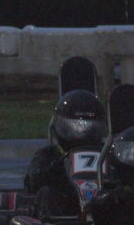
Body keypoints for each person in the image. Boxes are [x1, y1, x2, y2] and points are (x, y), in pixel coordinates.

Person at [23, 89, 107, 218]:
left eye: (87, 125)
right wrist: (59, 167)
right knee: (47, 193)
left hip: (102, 207)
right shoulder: (50, 154)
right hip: (66, 206)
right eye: (75, 125)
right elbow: (32, 183)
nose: (81, 130)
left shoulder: (107, 155)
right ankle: (51, 224)